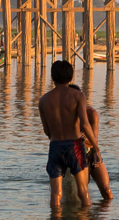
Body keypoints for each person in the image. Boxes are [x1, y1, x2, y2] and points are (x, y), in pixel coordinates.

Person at [39, 60, 91, 207]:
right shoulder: (78, 96)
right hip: (74, 145)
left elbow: (46, 131)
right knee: (83, 191)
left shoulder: (43, 100)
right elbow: (85, 125)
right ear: (71, 77)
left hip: (55, 145)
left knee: (56, 194)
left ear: (52, 77)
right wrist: (96, 146)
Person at [69, 83, 113, 201]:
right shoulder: (65, 114)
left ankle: (101, 217)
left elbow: (95, 138)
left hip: (91, 152)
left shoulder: (91, 113)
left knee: (107, 191)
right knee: (79, 193)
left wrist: (94, 149)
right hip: (73, 155)